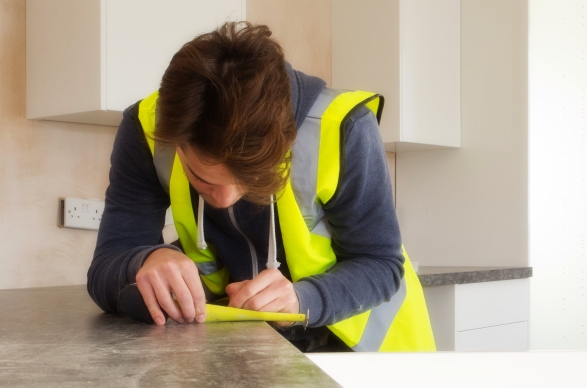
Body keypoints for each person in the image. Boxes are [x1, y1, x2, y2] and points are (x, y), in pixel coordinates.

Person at [87, 21, 435, 352]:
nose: (223, 199)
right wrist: (145, 258)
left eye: (249, 181)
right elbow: (106, 266)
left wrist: (303, 299)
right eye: (201, 178)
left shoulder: (345, 127)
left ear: (284, 143)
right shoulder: (147, 129)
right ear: (176, 143)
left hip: (368, 355)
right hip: (241, 352)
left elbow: (381, 264)